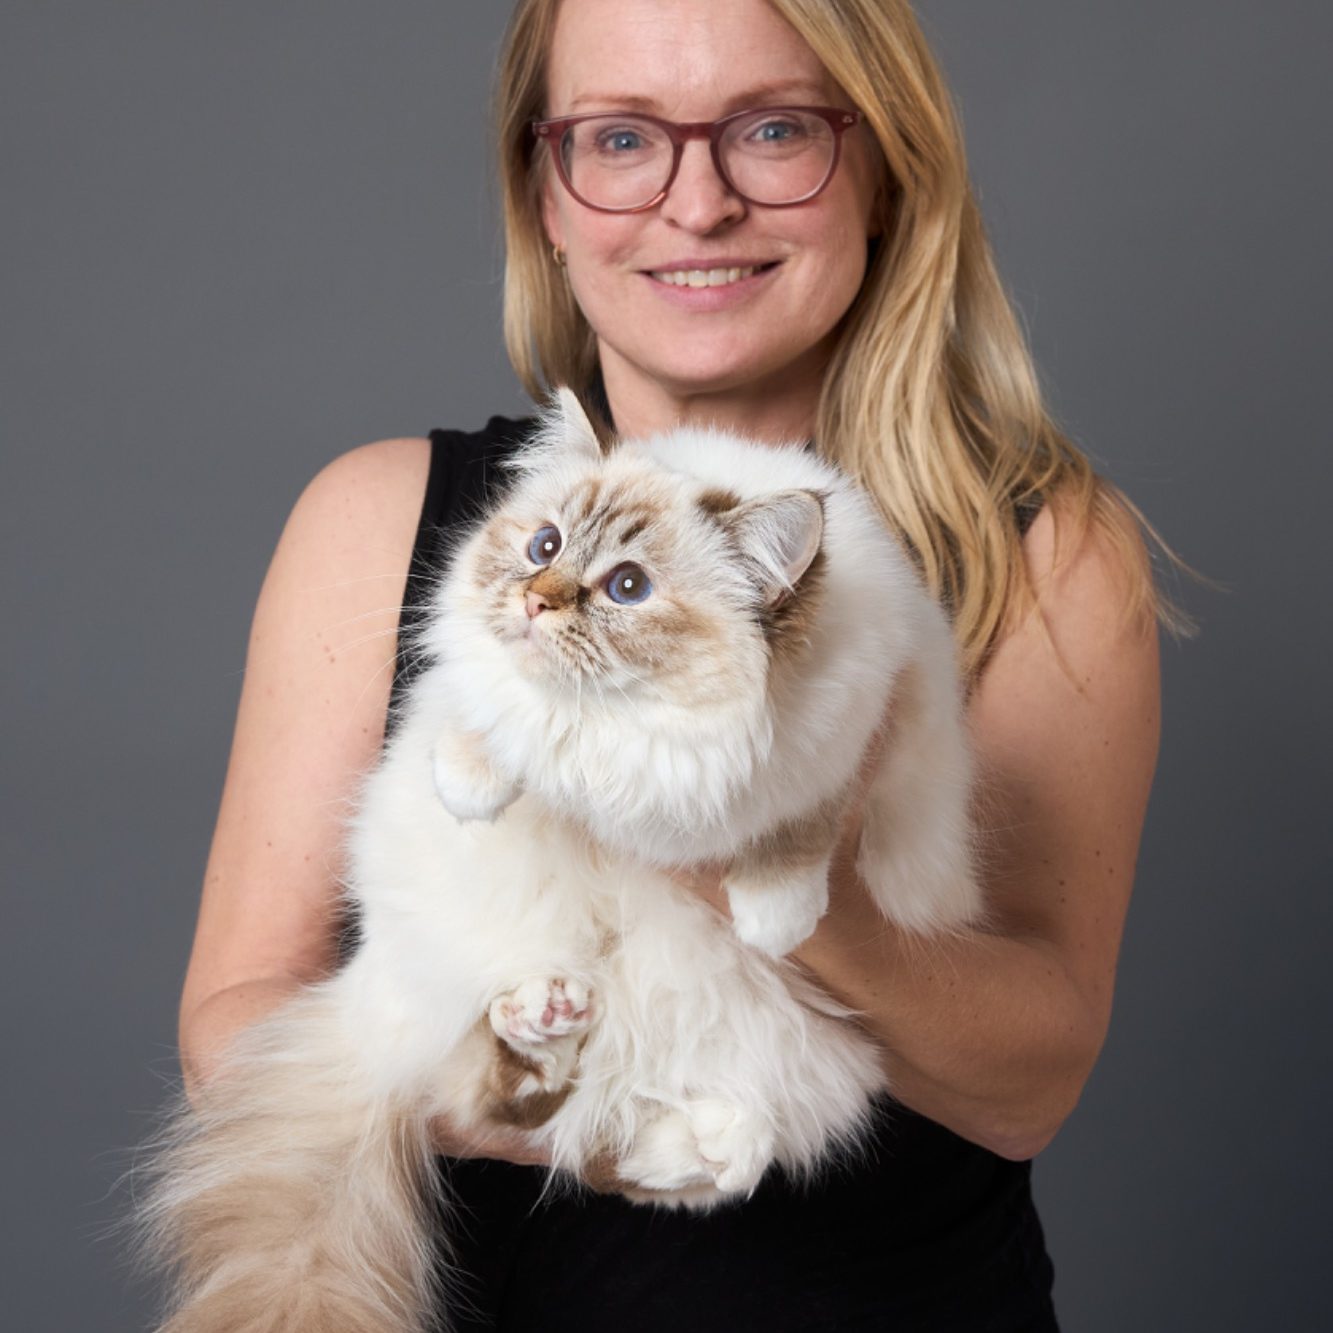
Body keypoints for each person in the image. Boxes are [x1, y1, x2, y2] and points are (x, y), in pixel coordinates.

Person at [176, 0, 1167, 1327]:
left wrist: (770, 864)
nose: (695, 206)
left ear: (883, 176)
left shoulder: (1041, 553)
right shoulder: (381, 520)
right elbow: (233, 1029)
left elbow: (1028, 1088)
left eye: (774, 130)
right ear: (547, 195)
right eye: (622, 138)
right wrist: (554, 1112)